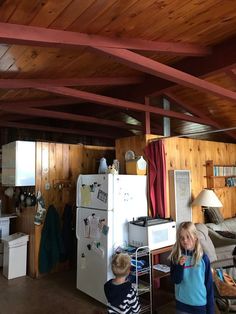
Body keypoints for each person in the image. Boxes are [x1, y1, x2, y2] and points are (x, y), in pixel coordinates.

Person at [170, 221, 214, 314]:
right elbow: (175, 280)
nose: (185, 240)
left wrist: (210, 311)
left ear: (195, 237)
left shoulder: (204, 259)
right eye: (182, 238)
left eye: (188, 237)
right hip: (182, 305)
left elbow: (209, 285)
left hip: (200, 305)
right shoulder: (176, 257)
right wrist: (179, 266)